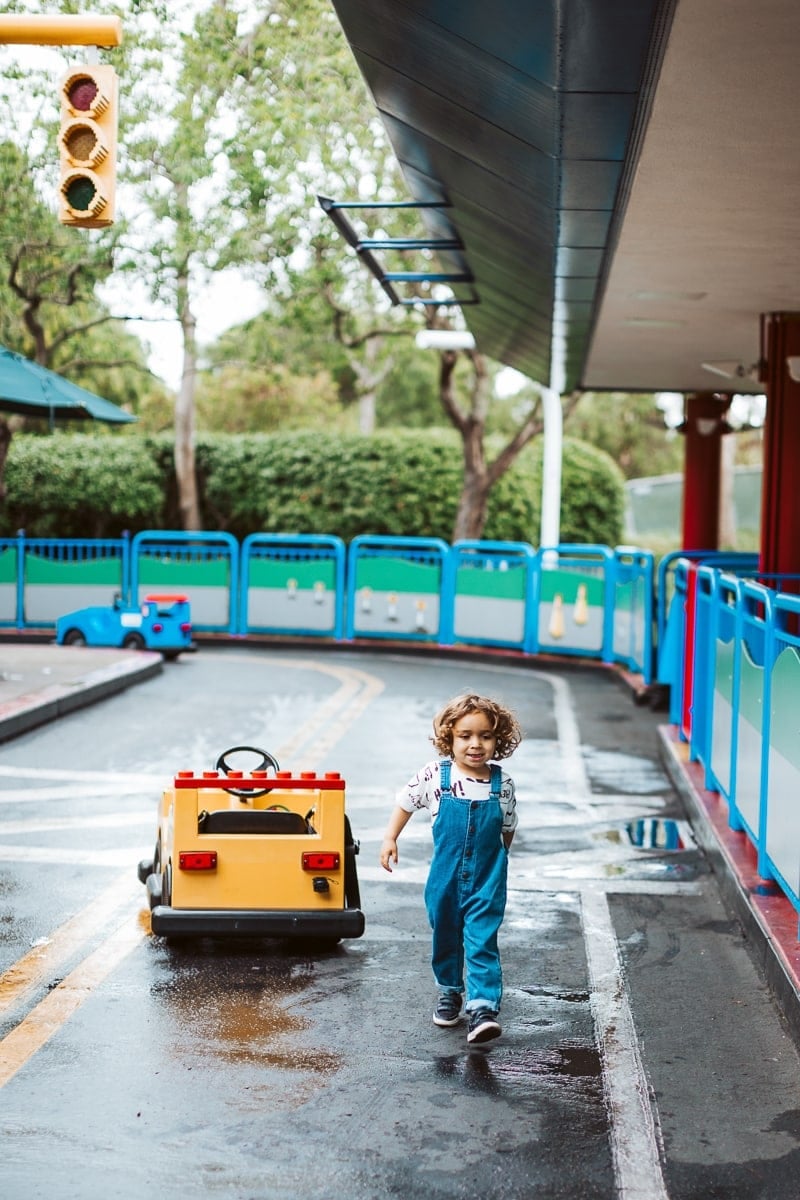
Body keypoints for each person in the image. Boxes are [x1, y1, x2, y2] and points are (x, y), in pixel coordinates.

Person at [380, 692, 522, 1045]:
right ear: (450, 738)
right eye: (465, 736)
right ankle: (450, 991)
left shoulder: (501, 784)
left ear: (497, 740)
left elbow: (507, 827)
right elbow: (405, 803)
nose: (476, 744)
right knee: (445, 936)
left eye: (485, 736)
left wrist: (500, 861)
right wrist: (389, 839)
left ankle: (483, 1008)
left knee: (481, 941)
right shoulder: (435, 776)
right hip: (444, 879)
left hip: (487, 879)